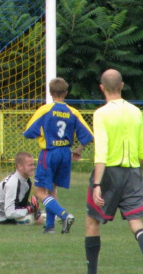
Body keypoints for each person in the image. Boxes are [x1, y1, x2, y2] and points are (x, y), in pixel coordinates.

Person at [85, 69, 143, 274]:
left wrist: (98, 184)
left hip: (108, 173)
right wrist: (137, 172)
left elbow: (101, 151)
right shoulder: (136, 111)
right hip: (133, 171)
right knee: (136, 221)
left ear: (101, 88)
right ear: (122, 85)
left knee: (92, 221)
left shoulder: (101, 114)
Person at [23, 77, 93, 234]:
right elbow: (88, 135)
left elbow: (28, 132)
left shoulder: (45, 110)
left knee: (39, 190)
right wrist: (79, 149)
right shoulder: (73, 112)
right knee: (52, 190)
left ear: (50, 92)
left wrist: (43, 132)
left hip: (50, 152)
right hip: (65, 153)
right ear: (66, 93)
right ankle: (50, 226)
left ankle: (64, 215)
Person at [0, 152, 43, 225]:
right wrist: (29, 210)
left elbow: (20, 201)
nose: (33, 167)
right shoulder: (13, 183)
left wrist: (33, 207)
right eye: (30, 165)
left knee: (39, 219)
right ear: (20, 167)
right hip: (0, 217)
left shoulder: (26, 180)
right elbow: (9, 213)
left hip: (9, 211)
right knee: (36, 220)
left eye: (33, 164)